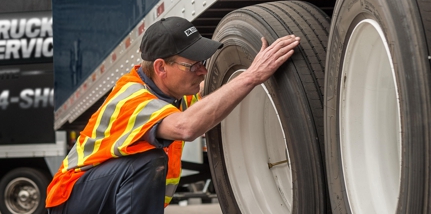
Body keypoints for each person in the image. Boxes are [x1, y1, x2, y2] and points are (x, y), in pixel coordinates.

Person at [46, 17, 300, 214]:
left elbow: (213, 97)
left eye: (204, 61)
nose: (202, 71)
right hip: (70, 200)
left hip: (99, 195)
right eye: (193, 65)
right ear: (160, 67)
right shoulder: (132, 98)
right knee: (147, 162)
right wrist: (251, 76)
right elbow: (186, 127)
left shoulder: (173, 92)